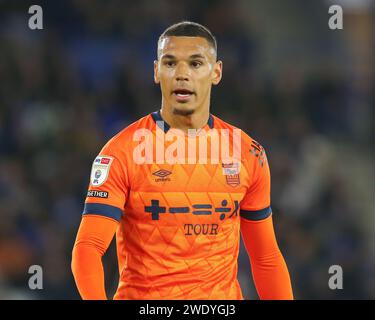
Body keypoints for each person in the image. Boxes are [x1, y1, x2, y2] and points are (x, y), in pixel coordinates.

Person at [71, 21, 293, 300]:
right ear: (156, 71)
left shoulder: (248, 154)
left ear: (216, 72)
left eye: (196, 63)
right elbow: (88, 248)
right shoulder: (121, 152)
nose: (182, 74)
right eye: (170, 63)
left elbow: (266, 257)